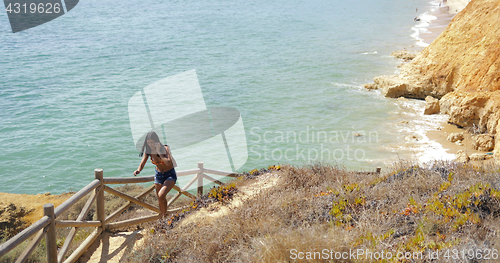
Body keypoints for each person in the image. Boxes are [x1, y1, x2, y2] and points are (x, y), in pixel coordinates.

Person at [133, 131, 177, 218]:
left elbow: (168, 163)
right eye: (148, 143)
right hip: (159, 175)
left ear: (156, 141)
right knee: (160, 199)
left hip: (170, 175)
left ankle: (164, 217)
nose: (150, 144)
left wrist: (158, 152)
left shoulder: (165, 148)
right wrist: (138, 170)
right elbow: (142, 163)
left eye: (152, 142)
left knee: (161, 195)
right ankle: (164, 217)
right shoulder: (148, 151)